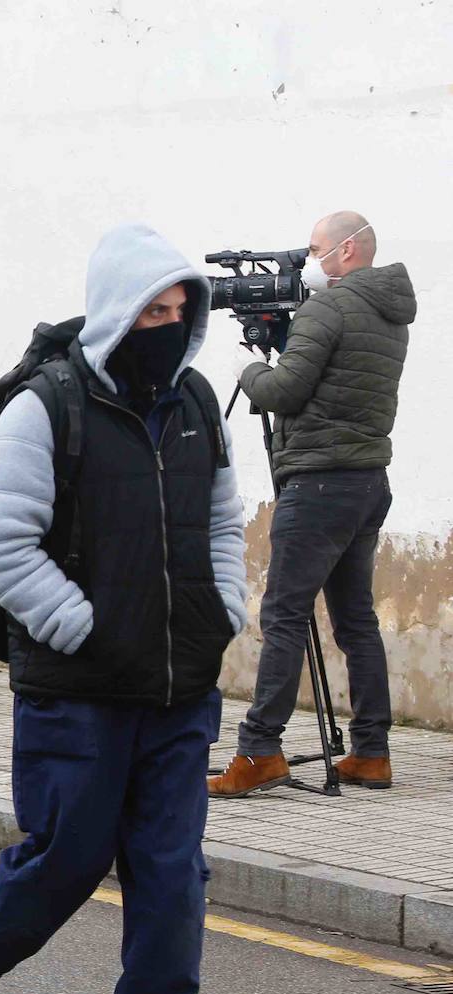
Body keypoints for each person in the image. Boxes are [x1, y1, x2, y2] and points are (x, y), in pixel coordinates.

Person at [0, 225, 247, 994]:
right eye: (154, 308)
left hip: (182, 691)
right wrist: (78, 625)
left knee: (172, 868)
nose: (171, 324)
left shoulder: (195, 406)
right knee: (67, 859)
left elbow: (224, 524)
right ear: (117, 312)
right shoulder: (49, 405)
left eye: (182, 309)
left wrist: (226, 609)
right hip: (77, 691)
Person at [209, 213, 416, 797]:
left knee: (283, 615)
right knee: (355, 620)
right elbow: (327, 380)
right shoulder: (388, 311)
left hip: (319, 483)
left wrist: (247, 367)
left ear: (348, 250)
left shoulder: (327, 309)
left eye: (317, 251)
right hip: (368, 481)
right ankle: (371, 752)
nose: (309, 264)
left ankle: (259, 751)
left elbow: (286, 390)